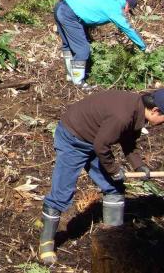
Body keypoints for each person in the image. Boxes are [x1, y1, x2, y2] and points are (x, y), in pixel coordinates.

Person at [38, 89, 164, 266]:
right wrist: (113, 170)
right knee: (62, 193)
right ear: (155, 110)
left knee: (114, 188)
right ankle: (46, 243)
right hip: (73, 139)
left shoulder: (137, 110)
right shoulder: (123, 116)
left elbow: (128, 141)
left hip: (94, 139)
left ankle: (114, 238)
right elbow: (101, 146)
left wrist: (139, 165)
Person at [53, 0, 145, 87]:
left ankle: (70, 76)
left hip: (60, 6)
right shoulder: (115, 8)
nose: (126, 13)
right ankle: (78, 83)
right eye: (128, 10)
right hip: (69, 14)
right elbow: (128, 29)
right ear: (126, 5)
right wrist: (143, 47)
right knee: (83, 49)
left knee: (68, 45)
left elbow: (90, 7)